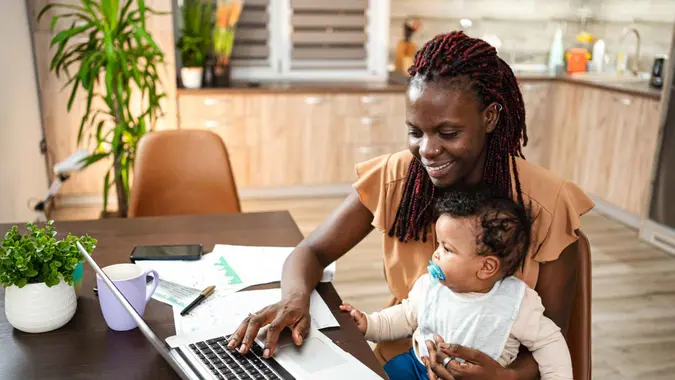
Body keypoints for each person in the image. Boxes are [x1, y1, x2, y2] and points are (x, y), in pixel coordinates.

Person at [227, 31, 594, 380]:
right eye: (416, 132)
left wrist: (505, 376)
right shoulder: (399, 177)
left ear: (490, 117)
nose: (427, 150)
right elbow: (310, 251)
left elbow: (553, 335)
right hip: (406, 360)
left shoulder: (547, 202)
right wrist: (294, 299)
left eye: (448, 133)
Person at [340, 188, 573, 380]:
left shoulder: (516, 303)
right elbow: (406, 316)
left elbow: (550, 341)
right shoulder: (430, 286)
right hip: (418, 366)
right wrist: (369, 324)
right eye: (438, 244)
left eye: (447, 249)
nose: (436, 255)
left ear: (486, 267)